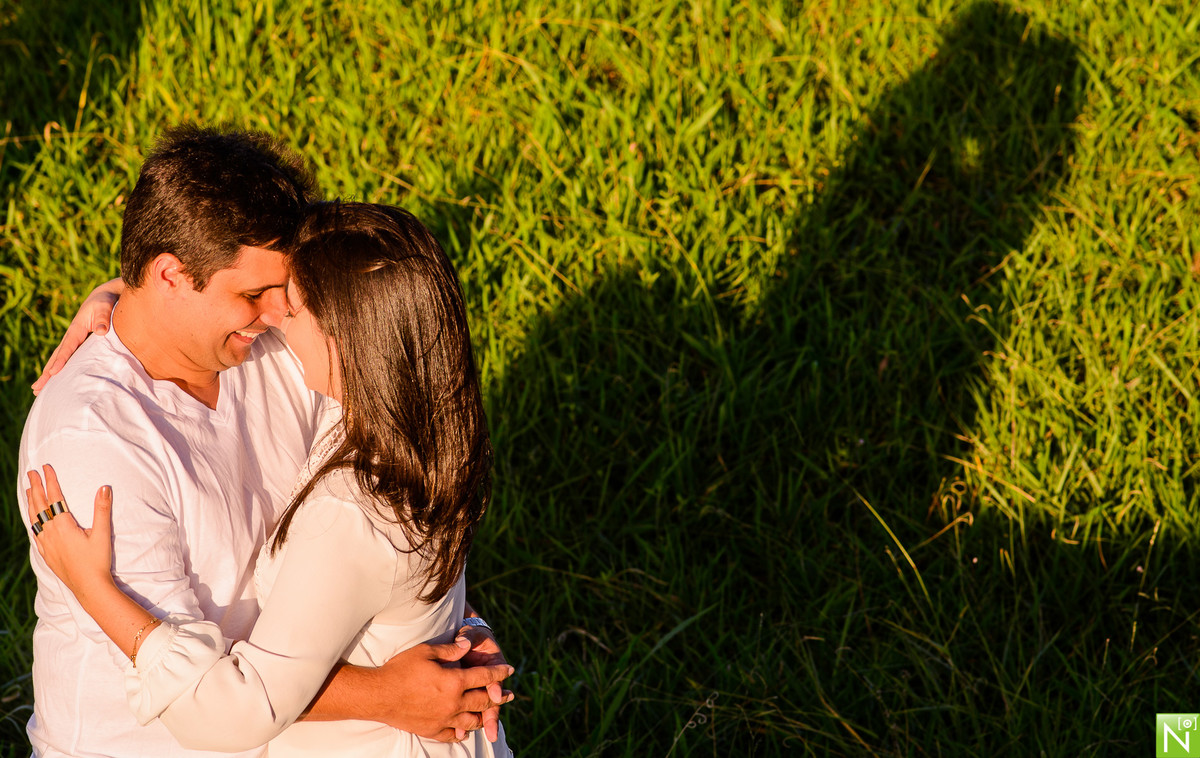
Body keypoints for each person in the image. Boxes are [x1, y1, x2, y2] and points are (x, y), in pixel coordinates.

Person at [17, 127, 511, 758]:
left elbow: (390, 517)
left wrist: (442, 633)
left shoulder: (286, 351)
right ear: (168, 274)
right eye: (253, 294)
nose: (279, 311)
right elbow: (210, 685)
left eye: (286, 291)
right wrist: (394, 690)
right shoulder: (92, 439)